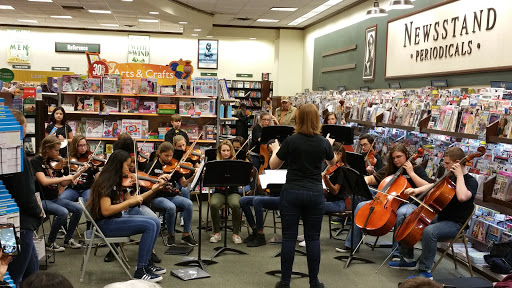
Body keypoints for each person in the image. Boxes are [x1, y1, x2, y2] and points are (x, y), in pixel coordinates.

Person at [269, 103, 336, 288]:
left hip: (291, 192)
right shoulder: (323, 142)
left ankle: (285, 282)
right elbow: (333, 163)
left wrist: (275, 149)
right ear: (317, 120)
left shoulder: (291, 140)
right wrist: (329, 146)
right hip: (315, 193)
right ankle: (314, 282)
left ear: (298, 118)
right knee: (313, 238)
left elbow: (273, 165)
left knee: (289, 237)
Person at [388, 147, 478, 280]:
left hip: (455, 224)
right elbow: (433, 186)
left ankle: (425, 272)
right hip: (441, 217)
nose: (445, 166)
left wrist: (459, 176)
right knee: (407, 217)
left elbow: (462, 197)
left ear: (458, 162)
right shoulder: (449, 176)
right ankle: (407, 259)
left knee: (430, 232)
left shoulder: (471, 181)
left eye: (447, 163)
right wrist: (416, 190)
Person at [337, 144, 430, 260]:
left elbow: (428, 187)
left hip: (409, 203)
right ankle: (351, 245)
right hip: (388, 201)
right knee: (361, 206)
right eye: (393, 158)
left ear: (406, 155)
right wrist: (361, 180)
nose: (396, 160)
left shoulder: (417, 169)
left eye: (399, 157)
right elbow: (374, 179)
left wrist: (411, 173)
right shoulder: (390, 169)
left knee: (402, 213)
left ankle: (397, 252)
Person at [87, 150, 166, 282]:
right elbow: (106, 211)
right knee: (150, 225)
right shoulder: (105, 183)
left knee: (155, 221)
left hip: (114, 219)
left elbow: (134, 200)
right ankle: (140, 270)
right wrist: (128, 201)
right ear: (119, 165)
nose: (130, 168)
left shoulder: (117, 181)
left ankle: (146, 264)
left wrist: (154, 189)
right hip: (104, 225)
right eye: (127, 165)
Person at [0, 110, 42, 286]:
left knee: (31, 271)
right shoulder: (15, 154)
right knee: (14, 275)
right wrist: (37, 211)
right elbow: (24, 193)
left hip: (8, 222)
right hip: (18, 224)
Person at [31, 135, 83, 252]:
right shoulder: (36, 161)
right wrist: (64, 178)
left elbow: (63, 183)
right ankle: (50, 242)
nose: (58, 153)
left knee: (78, 209)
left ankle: (68, 239)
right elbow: (44, 181)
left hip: (54, 198)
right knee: (63, 212)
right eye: (56, 150)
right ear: (47, 149)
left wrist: (75, 175)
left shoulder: (55, 162)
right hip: (41, 200)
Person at [145, 142, 197, 247]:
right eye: (166, 155)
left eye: (171, 156)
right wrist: (158, 179)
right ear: (159, 153)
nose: (169, 158)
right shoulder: (152, 166)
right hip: (157, 197)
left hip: (172, 195)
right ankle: (171, 235)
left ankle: (186, 234)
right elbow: (146, 184)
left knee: (188, 204)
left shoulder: (174, 166)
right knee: (171, 207)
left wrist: (193, 177)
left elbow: (184, 183)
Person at [209, 140, 248, 244]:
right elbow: (210, 181)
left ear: (231, 151)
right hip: (219, 192)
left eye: (228, 150)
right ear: (219, 151)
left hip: (233, 192)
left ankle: (236, 234)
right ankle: (217, 233)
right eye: (223, 150)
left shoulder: (236, 163)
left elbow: (243, 179)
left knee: (236, 205)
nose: (226, 153)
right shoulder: (215, 164)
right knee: (213, 204)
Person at [60, 135, 100, 204]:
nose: (83, 148)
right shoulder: (70, 159)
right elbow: (63, 183)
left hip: (87, 189)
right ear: (75, 146)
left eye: (85, 145)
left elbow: (98, 178)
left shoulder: (91, 158)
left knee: (90, 201)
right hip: (73, 189)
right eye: (80, 146)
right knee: (62, 199)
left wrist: (97, 167)